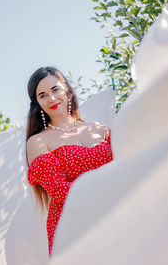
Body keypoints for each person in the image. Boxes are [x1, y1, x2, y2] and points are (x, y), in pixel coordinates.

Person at [25, 66, 114, 255]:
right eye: (42, 95)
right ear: (37, 103)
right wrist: (106, 193)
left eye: (55, 89)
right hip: (73, 225)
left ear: (67, 89)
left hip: (114, 214)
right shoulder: (38, 141)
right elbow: (59, 191)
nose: (51, 98)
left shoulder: (100, 129)